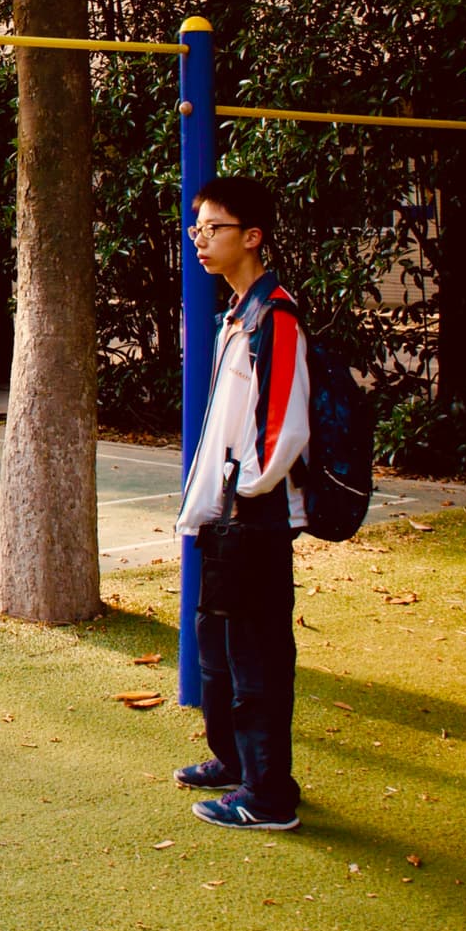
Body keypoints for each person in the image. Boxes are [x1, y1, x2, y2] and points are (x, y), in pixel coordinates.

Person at [173, 176, 309, 832]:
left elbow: (283, 427)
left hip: (251, 517)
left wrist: (243, 493)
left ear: (251, 236)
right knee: (218, 650)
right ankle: (235, 764)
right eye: (196, 227)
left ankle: (270, 795)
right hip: (226, 516)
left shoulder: (274, 315)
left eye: (213, 227)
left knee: (255, 656)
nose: (199, 238)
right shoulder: (240, 312)